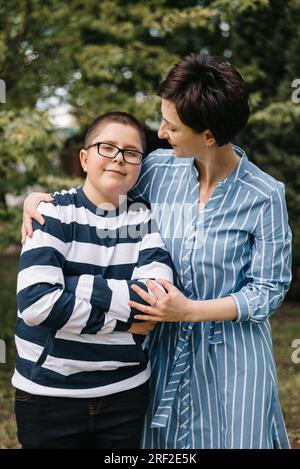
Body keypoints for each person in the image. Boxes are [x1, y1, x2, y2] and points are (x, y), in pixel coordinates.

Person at [21, 54, 292, 449]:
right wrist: (39, 201)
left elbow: (269, 289)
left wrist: (190, 311)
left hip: (233, 358)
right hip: (159, 347)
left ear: (209, 136)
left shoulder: (264, 195)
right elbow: (101, 187)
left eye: (173, 126)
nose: (161, 133)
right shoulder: (158, 170)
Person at [13, 111, 174, 449]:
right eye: (107, 147)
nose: (119, 158)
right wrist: (123, 321)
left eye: (131, 152)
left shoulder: (144, 219)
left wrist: (78, 286)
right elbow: (37, 304)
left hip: (125, 393)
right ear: (85, 158)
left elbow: (156, 298)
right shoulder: (52, 213)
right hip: (49, 394)